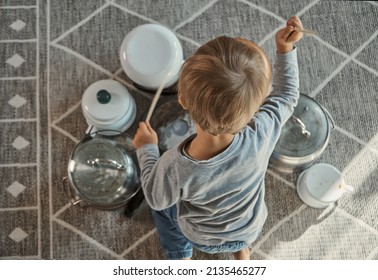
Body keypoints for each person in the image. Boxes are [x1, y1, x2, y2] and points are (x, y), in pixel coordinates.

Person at [133, 16, 303, 260]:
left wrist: (147, 149)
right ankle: (240, 250)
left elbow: (155, 196)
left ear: (182, 100)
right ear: (256, 109)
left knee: (162, 212)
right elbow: (286, 95)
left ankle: (179, 255)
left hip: (201, 236)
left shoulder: (174, 165)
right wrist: (285, 49)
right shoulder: (262, 132)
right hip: (248, 227)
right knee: (237, 235)